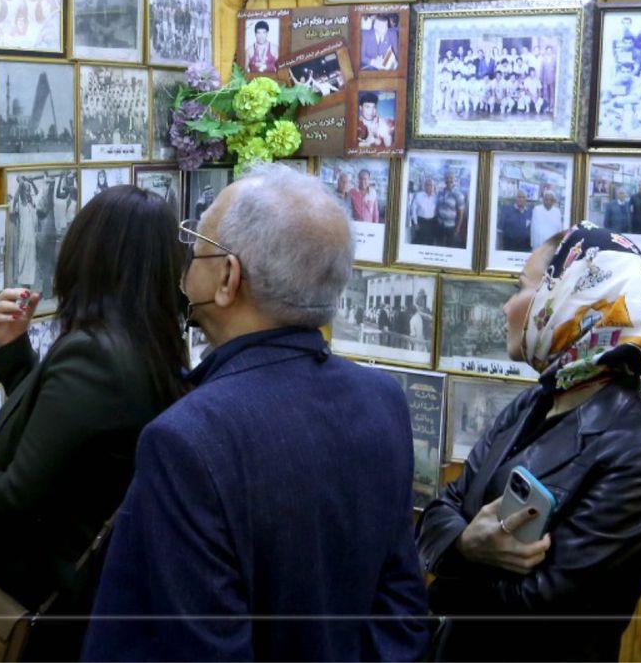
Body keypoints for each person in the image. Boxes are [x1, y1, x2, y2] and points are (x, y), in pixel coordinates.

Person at [85, 164, 428, 660]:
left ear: (228, 277)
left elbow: (199, 649)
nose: (186, 262)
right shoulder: (382, 399)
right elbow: (402, 612)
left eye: (197, 246)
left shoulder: (186, 438)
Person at [418, 224, 641, 661]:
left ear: (569, 301)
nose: (507, 306)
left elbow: (545, 607)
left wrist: (453, 564)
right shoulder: (535, 401)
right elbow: (440, 509)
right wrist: (469, 545)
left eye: (520, 288)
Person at [0, 186, 189, 660]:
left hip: (46, 610)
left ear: (88, 255)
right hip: (99, 602)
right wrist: (15, 352)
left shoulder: (95, 354)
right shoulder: (150, 346)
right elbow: (72, 435)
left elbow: (16, 497)